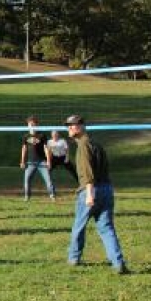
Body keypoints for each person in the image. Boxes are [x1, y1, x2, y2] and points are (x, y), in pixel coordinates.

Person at [65, 114, 128, 275]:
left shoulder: (83, 146)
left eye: (73, 125)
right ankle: (118, 262)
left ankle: (73, 258)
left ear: (81, 126)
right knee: (107, 228)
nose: (70, 128)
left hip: (91, 189)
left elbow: (87, 173)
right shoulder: (96, 144)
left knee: (79, 226)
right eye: (68, 125)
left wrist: (89, 194)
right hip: (106, 189)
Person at [20, 116, 55, 201]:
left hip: (42, 162)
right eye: (29, 124)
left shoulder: (42, 135)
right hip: (30, 162)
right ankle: (27, 197)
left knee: (48, 180)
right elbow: (24, 149)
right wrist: (22, 161)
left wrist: (48, 161)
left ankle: (52, 196)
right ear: (28, 125)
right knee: (27, 179)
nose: (31, 125)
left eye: (33, 124)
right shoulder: (26, 136)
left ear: (36, 124)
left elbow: (46, 148)